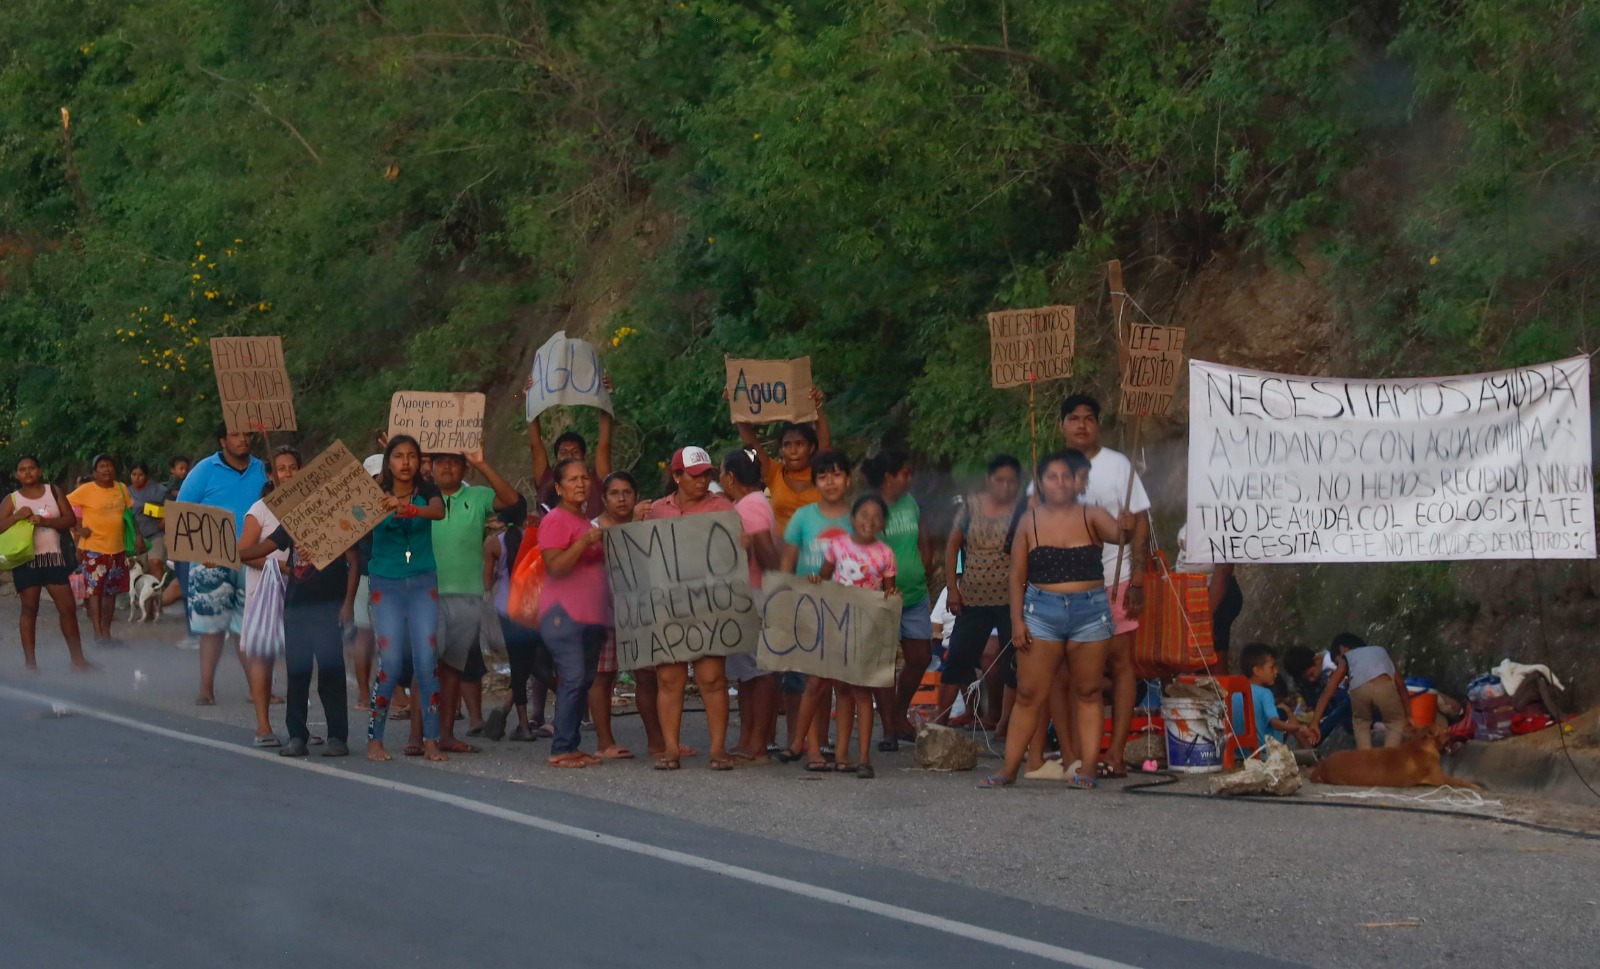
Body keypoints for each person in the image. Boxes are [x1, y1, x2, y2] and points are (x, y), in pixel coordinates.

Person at [982, 450, 1133, 790]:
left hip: (1090, 610)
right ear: (1041, 483)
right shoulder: (1029, 520)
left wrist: (1127, 525)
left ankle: (1088, 768)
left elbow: (1119, 535)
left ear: (1078, 482)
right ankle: (1008, 770)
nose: (1061, 482)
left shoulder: (1092, 514)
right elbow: (1017, 575)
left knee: (1088, 690)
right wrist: (1017, 622)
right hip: (1041, 611)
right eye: (1053, 477)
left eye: (1067, 476)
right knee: (1028, 693)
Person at [1059, 393, 1149, 779]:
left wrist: (1139, 580)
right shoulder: (1052, 469)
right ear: (1062, 425)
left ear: (1098, 424)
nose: (1082, 425)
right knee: (1064, 668)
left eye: (1089, 418)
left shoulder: (1118, 465)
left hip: (1116, 576)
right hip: (1064, 584)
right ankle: (1075, 753)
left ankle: (1115, 752)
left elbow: (1140, 522)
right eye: (1074, 418)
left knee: (1121, 663)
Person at [416, 448, 520, 754]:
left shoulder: (477, 497)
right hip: (423, 593)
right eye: (441, 462)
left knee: (451, 670)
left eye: (455, 461)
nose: (448, 467)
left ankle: (445, 734)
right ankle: (417, 736)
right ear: (430, 467)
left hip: (467, 595)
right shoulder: (419, 498)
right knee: (423, 666)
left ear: (464, 468)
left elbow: (512, 502)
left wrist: (481, 462)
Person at [646, 446, 737, 770]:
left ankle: (717, 749)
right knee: (669, 678)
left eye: (706, 476)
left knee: (712, 677)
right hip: (668, 605)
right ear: (677, 477)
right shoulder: (657, 510)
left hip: (708, 605)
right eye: (695, 476)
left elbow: (734, 553)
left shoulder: (722, 507)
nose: (702, 482)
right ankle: (671, 749)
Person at [237, 521, 360, 758]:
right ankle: (296, 735)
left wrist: (348, 604)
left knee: (331, 672)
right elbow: (265, 547)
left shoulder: (339, 516)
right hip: (296, 608)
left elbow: (353, 561)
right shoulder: (296, 517)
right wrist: (230, 554)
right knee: (297, 673)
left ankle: (336, 736)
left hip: (328, 607)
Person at [365, 435, 448, 763]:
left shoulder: (428, 491)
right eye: (398, 456)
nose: (405, 462)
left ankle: (432, 740)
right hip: (385, 584)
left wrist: (407, 507)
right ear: (388, 461)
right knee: (392, 664)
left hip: (423, 582)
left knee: (427, 662)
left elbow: (438, 513)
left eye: (411, 456)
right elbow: (348, 524)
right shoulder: (373, 491)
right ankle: (375, 740)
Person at [177, 424, 269, 704]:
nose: (243, 439)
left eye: (247, 434)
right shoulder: (204, 470)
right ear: (222, 440)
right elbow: (182, 514)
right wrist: (197, 551)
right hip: (211, 560)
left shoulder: (264, 470)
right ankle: (206, 688)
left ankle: (258, 690)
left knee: (250, 626)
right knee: (211, 626)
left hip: (253, 557)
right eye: (235, 434)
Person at [774, 450, 854, 771]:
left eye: (836, 475)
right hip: (810, 607)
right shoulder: (803, 517)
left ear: (848, 479)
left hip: (851, 608)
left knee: (846, 684)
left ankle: (845, 752)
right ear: (815, 482)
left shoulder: (860, 516)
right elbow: (787, 562)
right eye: (823, 476)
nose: (830, 482)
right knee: (814, 682)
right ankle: (814, 749)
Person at [815, 494, 898, 779]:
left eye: (876, 517)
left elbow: (888, 593)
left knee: (863, 691)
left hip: (867, 629)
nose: (869, 521)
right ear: (852, 518)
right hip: (838, 627)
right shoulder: (837, 546)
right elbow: (824, 580)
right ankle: (841, 754)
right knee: (844, 690)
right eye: (864, 514)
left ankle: (864, 757)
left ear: (883, 524)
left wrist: (891, 596)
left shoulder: (885, 554)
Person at [937, 455, 1022, 728]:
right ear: (989, 480)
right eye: (1000, 480)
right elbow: (952, 546)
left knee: (1014, 663)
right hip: (973, 596)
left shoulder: (1022, 510)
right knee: (958, 658)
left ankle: (1004, 723)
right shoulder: (972, 507)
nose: (1005, 487)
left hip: (1011, 599)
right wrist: (952, 588)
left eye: (1011, 482)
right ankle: (940, 721)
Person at [538, 457, 611, 768]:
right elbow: (555, 567)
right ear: (558, 487)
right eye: (572, 479)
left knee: (583, 680)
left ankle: (571, 744)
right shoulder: (556, 520)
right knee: (574, 677)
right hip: (563, 614)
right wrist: (583, 543)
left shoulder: (585, 521)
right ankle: (561, 748)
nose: (580, 484)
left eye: (584, 478)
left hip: (589, 616)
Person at [863, 449, 934, 750]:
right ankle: (890, 728)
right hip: (882, 597)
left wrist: (925, 566)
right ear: (889, 478)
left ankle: (897, 712)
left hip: (915, 593)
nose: (910, 478)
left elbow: (923, 539)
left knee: (920, 658)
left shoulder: (910, 503)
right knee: (883, 663)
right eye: (905, 473)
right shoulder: (870, 509)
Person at [1, 457, 93, 671]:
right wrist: (16, 517)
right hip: (26, 560)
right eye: (22, 470)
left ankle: (77, 660)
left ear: (39, 471)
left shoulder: (54, 491)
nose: (27, 473)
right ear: (17, 475)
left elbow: (70, 520)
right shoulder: (12, 499)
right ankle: (31, 664)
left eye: (31, 468)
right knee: (29, 609)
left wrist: (46, 522)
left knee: (68, 609)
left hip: (54, 558)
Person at [238, 446, 302, 747]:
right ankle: (263, 726)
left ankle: (299, 725)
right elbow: (244, 552)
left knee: (299, 657)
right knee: (263, 655)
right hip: (264, 590)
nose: (288, 474)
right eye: (281, 469)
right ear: (271, 475)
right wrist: (280, 566)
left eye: (293, 467)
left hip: (302, 589)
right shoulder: (260, 510)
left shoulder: (310, 506)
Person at [720, 450, 780, 764]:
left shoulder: (751, 507)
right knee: (747, 674)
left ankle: (757, 742)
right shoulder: (753, 503)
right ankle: (748, 739)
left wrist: (752, 545)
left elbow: (769, 558)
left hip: (756, 593)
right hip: (749, 594)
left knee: (761, 672)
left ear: (730, 477)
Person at [589, 471, 644, 759]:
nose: (621, 498)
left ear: (636, 496)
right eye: (614, 493)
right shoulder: (593, 529)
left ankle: (660, 742)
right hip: (603, 614)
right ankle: (605, 742)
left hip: (641, 613)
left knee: (649, 676)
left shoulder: (647, 526)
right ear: (604, 498)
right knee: (602, 676)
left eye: (627, 492)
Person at [483, 499, 545, 743]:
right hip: (535, 610)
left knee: (519, 666)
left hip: (507, 610)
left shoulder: (493, 544)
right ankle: (520, 722)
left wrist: (500, 573)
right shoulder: (538, 538)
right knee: (528, 666)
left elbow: (487, 583)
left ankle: (520, 722)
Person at [733, 389, 831, 537]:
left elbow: (825, 445)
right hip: (784, 554)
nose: (793, 451)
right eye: (787, 445)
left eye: (799, 444)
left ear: (811, 448)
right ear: (781, 449)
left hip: (822, 552)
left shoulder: (821, 471)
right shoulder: (774, 473)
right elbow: (752, 445)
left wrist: (817, 407)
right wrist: (738, 406)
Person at [67, 454, 142, 645]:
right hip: (94, 549)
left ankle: (107, 633)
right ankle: (98, 633)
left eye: (109, 465)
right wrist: (77, 528)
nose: (106, 469)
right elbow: (64, 505)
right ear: (95, 472)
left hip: (118, 550)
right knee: (95, 592)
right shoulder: (86, 490)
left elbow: (129, 515)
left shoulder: (121, 488)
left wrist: (138, 537)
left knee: (111, 593)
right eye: (101, 466)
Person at [525, 381, 613, 518]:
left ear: (584, 456)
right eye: (563, 452)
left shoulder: (595, 479)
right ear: (556, 458)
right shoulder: (547, 479)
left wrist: (605, 398)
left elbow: (604, 444)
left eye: (575, 451)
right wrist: (531, 399)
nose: (569, 456)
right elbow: (535, 444)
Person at [1311, 633, 1409, 749]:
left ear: (1343, 649)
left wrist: (1314, 723)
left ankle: (1365, 752)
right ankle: (1390, 744)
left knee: (1357, 720)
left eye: (1336, 664)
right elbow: (1401, 686)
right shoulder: (1381, 652)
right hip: (1386, 693)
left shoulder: (1347, 657)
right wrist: (1409, 716)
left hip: (1363, 694)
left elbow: (1328, 691)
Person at [1175, 524, 1243, 668]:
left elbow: (1224, 568)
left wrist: (1207, 615)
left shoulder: (1220, 519)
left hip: (1214, 595)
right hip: (1195, 594)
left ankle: (1220, 689)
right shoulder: (1198, 513)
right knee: (1200, 654)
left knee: (1213, 655)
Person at [1233, 643, 1315, 756]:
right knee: (1286, 712)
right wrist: (1298, 727)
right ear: (1257, 671)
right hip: (1263, 754)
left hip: (1239, 753)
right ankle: (1311, 754)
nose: (1276, 671)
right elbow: (1275, 723)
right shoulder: (1265, 693)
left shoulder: (1234, 692)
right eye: (1272, 667)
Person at [127, 463, 169, 584]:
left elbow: (171, 503)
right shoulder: (126, 492)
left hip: (156, 533)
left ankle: (158, 596)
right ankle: (145, 600)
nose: (137, 478)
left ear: (146, 476)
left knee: (155, 563)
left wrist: (165, 517)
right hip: (135, 537)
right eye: (134, 474)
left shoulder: (158, 489)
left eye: (140, 475)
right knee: (141, 570)